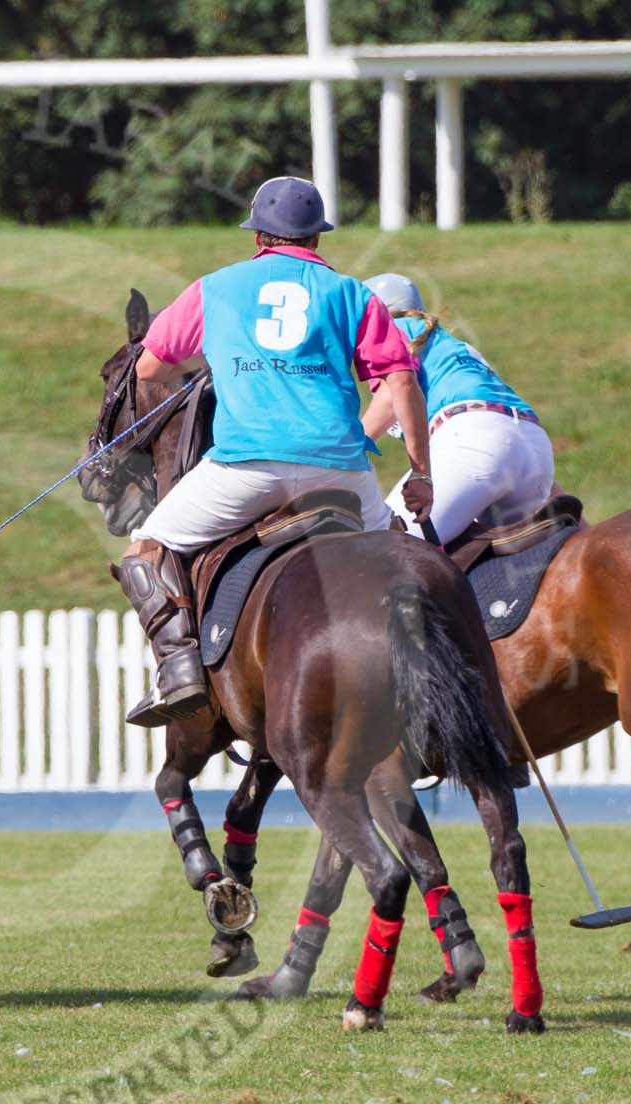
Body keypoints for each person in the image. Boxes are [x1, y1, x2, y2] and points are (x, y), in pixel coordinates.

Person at [121, 176, 430, 727]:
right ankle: (435, 669)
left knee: (146, 545)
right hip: (340, 472)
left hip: (246, 467)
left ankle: (179, 670)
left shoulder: (214, 288)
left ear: (258, 235)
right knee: (407, 557)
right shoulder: (353, 294)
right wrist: (420, 472)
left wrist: (218, 361)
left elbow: (149, 367)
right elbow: (402, 383)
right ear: (315, 237)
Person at [362, 273, 555, 547]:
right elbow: (506, 434)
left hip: (475, 441)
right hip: (534, 450)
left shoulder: (396, 327)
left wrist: (347, 450)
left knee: (384, 548)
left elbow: (395, 392)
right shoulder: (455, 347)